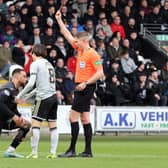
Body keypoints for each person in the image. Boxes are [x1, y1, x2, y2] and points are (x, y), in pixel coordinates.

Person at [55, 10, 104, 158]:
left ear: (85, 41)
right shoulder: (80, 49)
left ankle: (72, 150)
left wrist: (86, 83)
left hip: (86, 87)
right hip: (82, 86)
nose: (75, 43)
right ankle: (88, 151)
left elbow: (100, 72)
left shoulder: (93, 54)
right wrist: (59, 20)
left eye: (78, 41)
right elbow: (66, 34)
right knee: (85, 119)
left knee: (72, 117)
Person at [16, 44, 59, 159]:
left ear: (35, 52)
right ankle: (53, 152)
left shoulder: (35, 64)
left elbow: (31, 83)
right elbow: (40, 85)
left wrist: (20, 94)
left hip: (43, 98)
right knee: (53, 126)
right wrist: (27, 97)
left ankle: (34, 153)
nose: (30, 54)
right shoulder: (49, 64)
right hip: (54, 97)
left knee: (35, 124)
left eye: (31, 52)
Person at [0, 68, 31, 158]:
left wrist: (19, 115)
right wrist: (13, 116)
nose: (26, 79)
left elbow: (12, 107)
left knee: (26, 125)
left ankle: (10, 151)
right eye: (24, 76)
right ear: (17, 77)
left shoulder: (16, 91)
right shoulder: (7, 88)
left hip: (4, 120)